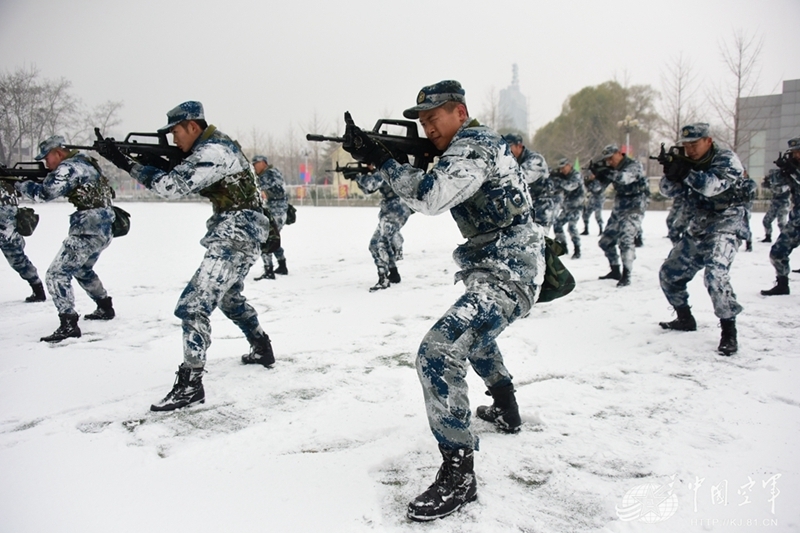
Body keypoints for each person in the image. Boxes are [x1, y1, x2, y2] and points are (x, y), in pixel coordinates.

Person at [341, 80, 545, 522]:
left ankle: (459, 472)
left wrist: (383, 160)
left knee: (438, 352)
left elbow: (431, 197)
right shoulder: (461, 149)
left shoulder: (474, 147)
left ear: (460, 112)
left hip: (510, 271)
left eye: (436, 117)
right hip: (492, 266)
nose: (430, 127)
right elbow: (421, 191)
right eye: (423, 121)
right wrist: (393, 163)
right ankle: (507, 408)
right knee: (477, 337)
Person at [97, 101, 275, 411]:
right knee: (229, 297)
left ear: (193, 126)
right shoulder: (215, 148)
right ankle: (262, 346)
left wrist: (126, 163)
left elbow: (171, 187)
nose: (174, 138)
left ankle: (191, 384)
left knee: (193, 305)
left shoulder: (213, 152)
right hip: (242, 232)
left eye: (176, 131)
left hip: (236, 235)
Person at [657, 123, 752, 355]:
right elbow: (667, 191)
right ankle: (685, 318)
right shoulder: (687, 162)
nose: (690, 149)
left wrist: (686, 172)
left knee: (715, 275)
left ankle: (729, 331)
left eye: (695, 144)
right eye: (686, 145)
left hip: (727, 222)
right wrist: (671, 172)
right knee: (669, 274)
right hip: (700, 224)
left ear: (708, 141)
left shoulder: (726, 159)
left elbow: (711, 187)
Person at [16, 135, 117, 342]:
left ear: (58, 153)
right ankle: (105, 307)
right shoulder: (85, 162)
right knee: (82, 269)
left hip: (87, 229)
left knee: (57, 274)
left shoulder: (68, 168)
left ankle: (68, 323)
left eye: (47, 158)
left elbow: (45, 194)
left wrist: (21, 185)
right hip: (105, 227)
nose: (46, 163)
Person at [591, 144, 649, 287]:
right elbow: (597, 189)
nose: (610, 162)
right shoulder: (612, 169)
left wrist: (607, 172)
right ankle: (615, 270)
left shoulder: (634, 165)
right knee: (605, 242)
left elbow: (624, 179)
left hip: (635, 205)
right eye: (607, 160)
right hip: (620, 206)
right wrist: (594, 177)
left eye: (611, 158)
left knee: (626, 240)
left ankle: (627, 274)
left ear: (619, 154)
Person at [349, 165, 413, 291]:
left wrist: (359, 177)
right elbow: (368, 191)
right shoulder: (382, 170)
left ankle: (383, 279)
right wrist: (358, 179)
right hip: (392, 210)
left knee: (380, 243)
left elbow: (371, 185)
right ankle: (393, 273)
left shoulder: (386, 168)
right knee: (377, 244)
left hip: (396, 210)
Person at [761, 137, 800, 296]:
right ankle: (782, 284)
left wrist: (794, 171)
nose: (797, 156)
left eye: (799, 152)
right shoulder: (792, 169)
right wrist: (781, 170)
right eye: (794, 153)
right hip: (797, 219)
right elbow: (774, 184)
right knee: (777, 252)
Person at [0, 179, 45, 303]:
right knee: (17, 258)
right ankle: (37, 289)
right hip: (7, 221)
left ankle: (38, 289)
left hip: (5, 220)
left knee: (17, 258)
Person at [502, 134, 556, 232]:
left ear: (519, 146)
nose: (506, 151)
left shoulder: (536, 159)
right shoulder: (511, 161)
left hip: (542, 206)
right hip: (525, 208)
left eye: (509, 147)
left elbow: (520, 177)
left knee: (539, 241)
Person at [251, 155, 289, 280]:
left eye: (256, 163)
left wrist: (266, 193)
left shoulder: (272, 173)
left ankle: (269, 270)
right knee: (273, 239)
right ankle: (282, 266)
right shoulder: (261, 176)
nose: (254, 166)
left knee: (265, 239)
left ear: (263, 163)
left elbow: (280, 191)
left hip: (277, 212)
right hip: (271, 212)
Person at [551, 158, 585, 259]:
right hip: (567, 207)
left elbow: (570, 186)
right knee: (557, 224)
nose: (562, 170)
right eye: (561, 168)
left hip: (577, 207)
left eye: (564, 167)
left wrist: (558, 180)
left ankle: (577, 249)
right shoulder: (563, 176)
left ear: (569, 165)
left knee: (572, 226)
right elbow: (556, 189)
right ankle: (563, 246)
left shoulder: (576, 175)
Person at [760, 168, 790, 243]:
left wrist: (771, 185)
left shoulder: (788, 181)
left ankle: (785, 239)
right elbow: (763, 185)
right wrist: (767, 182)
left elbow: (780, 190)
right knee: (766, 221)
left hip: (783, 203)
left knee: (781, 223)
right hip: (775, 203)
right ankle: (768, 236)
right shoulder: (774, 182)